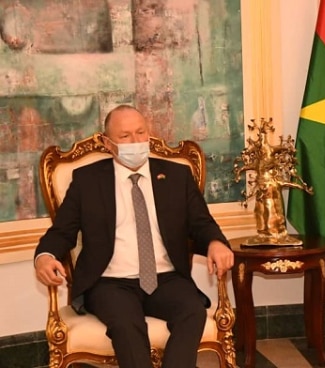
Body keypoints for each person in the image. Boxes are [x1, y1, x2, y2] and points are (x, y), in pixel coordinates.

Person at [34, 105, 234, 368]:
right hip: (110, 282)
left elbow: (201, 223)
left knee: (192, 311)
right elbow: (62, 231)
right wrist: (44, 256)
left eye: (141, 132)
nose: (136, 141)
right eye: (125, 136)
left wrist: (217, 242)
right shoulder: (87, 180)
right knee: (127, 325)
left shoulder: (176, 175)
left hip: (166, 278)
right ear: (107, 143)